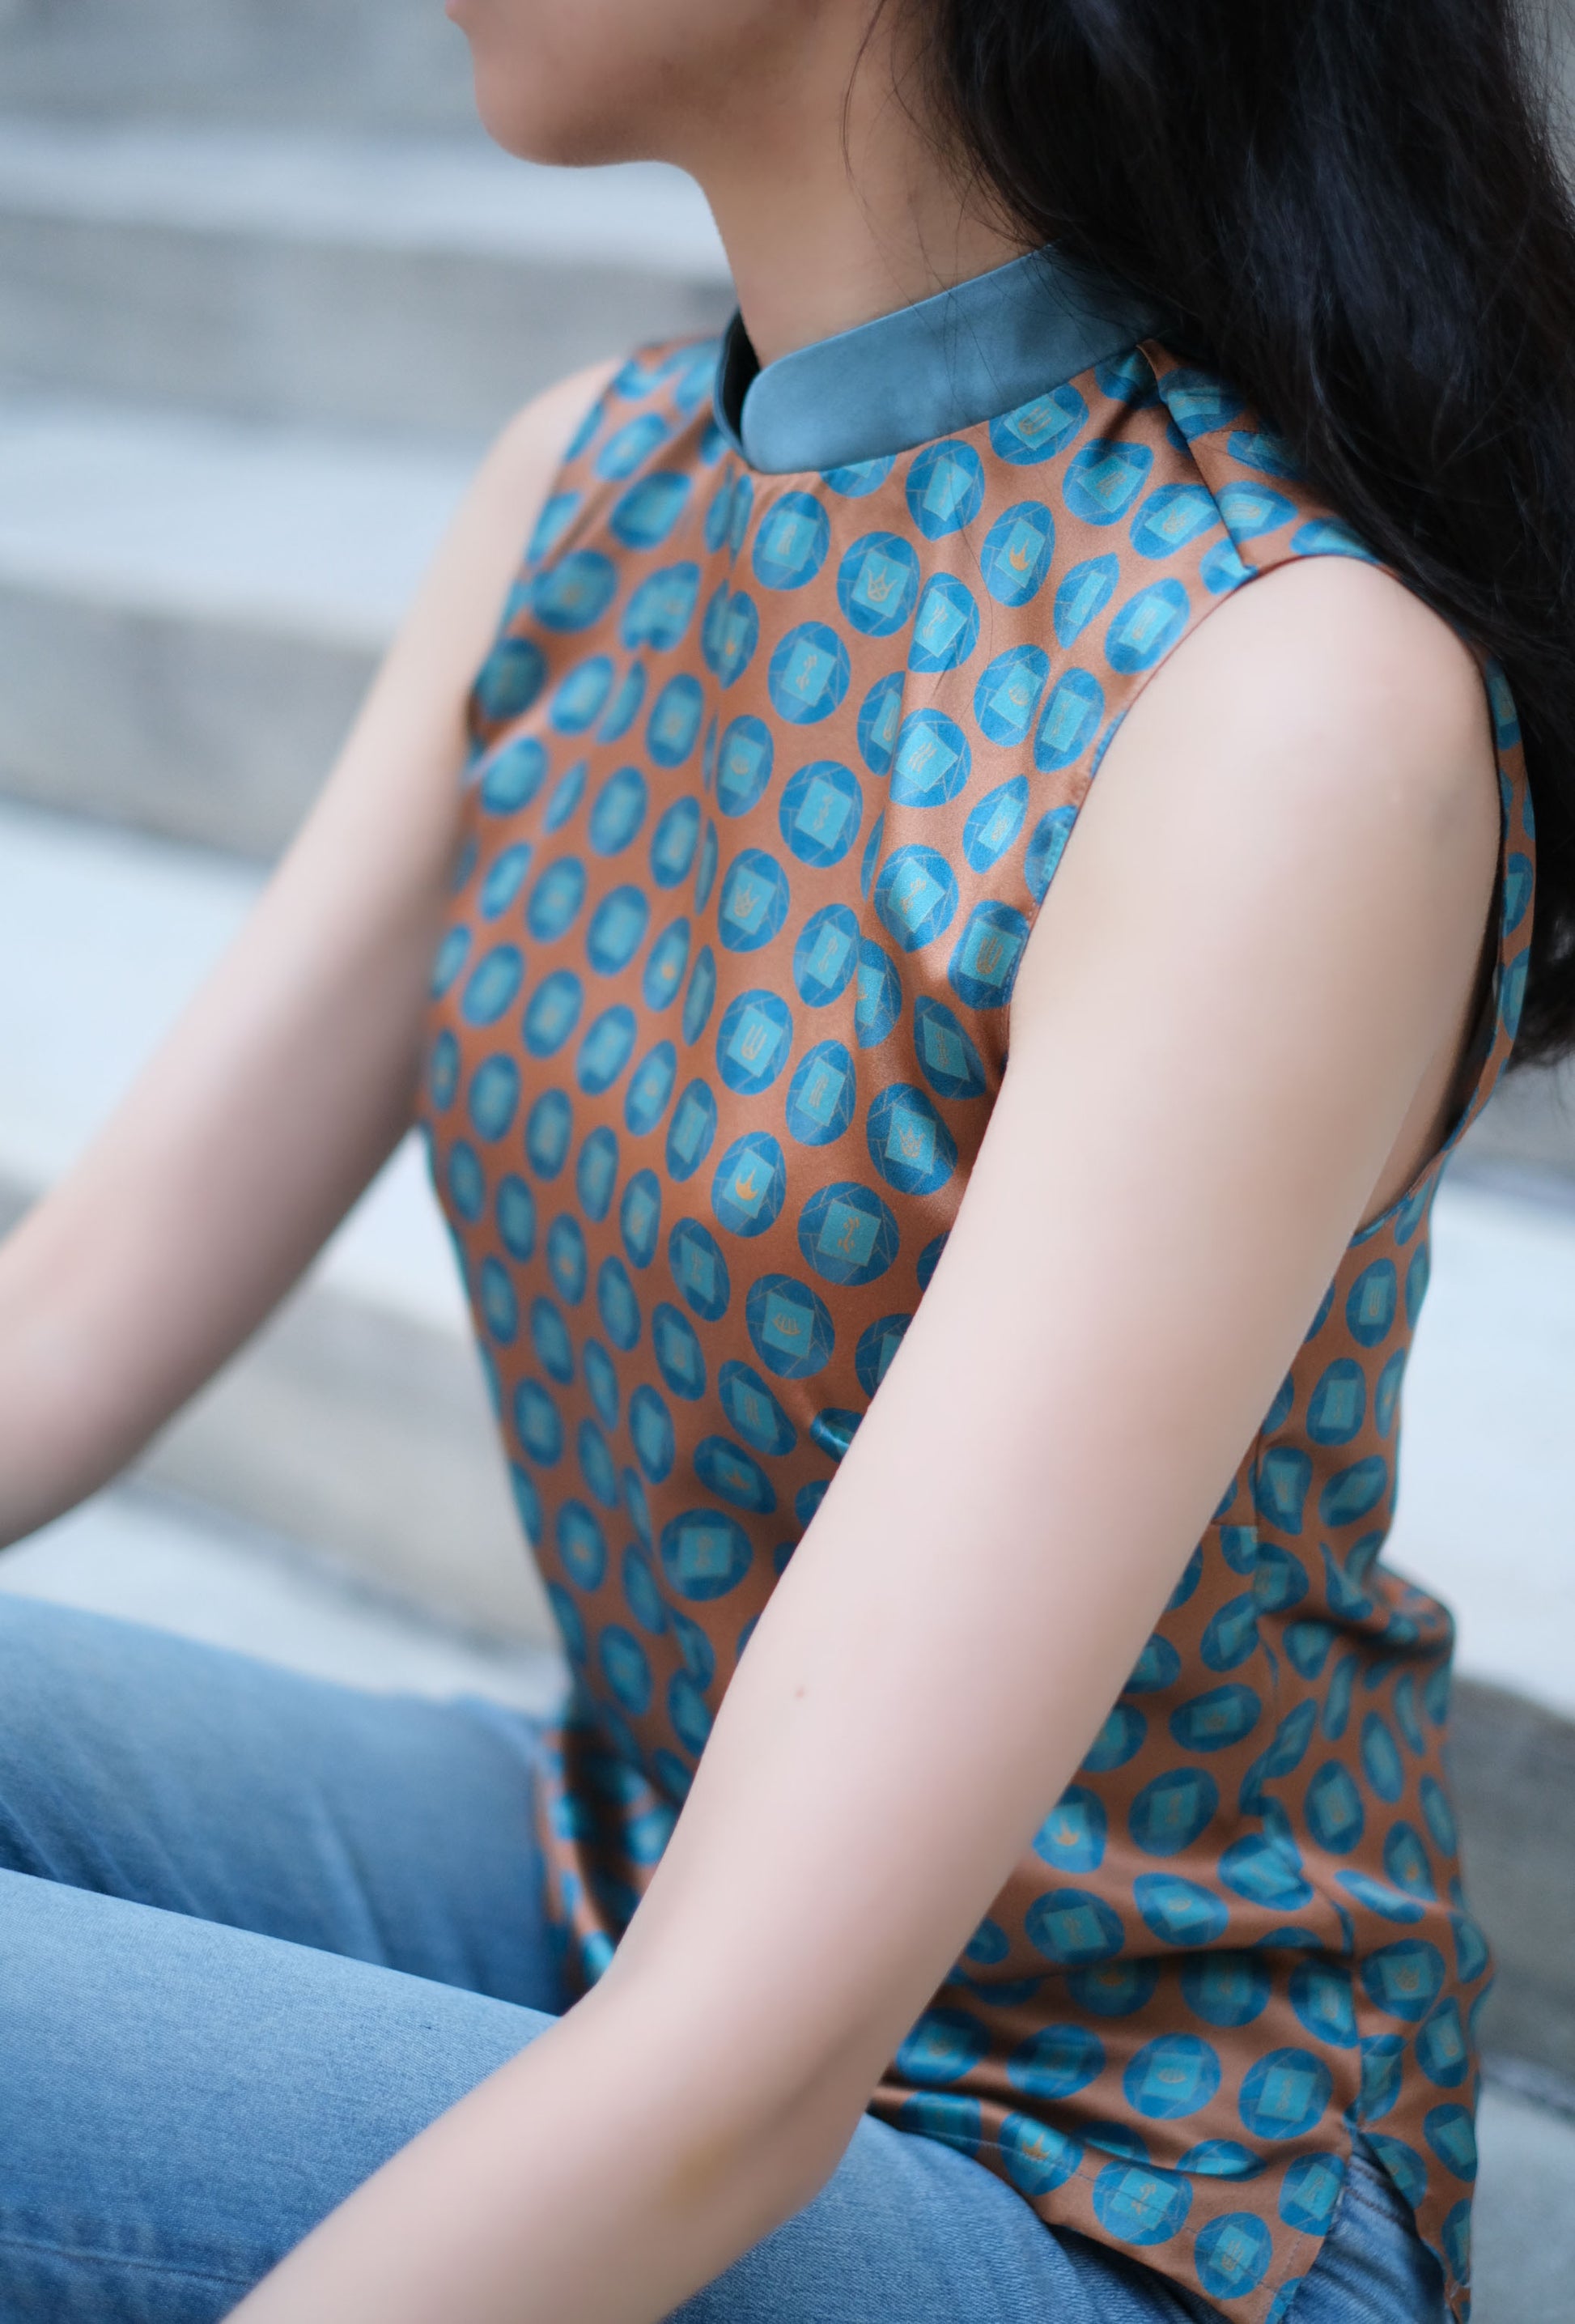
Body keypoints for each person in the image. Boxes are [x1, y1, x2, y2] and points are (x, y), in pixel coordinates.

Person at [2, 0, 1574, 2318]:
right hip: (628, 1874)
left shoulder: (1279, 704)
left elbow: (738, 2071)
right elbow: (75, 1294)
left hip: (1122, 2183)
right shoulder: (598, 482)